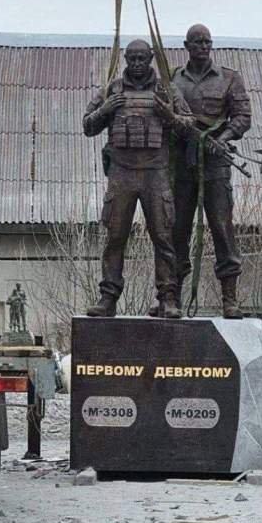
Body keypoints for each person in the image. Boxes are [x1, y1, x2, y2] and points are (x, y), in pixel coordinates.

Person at [83, 39, 193, 318]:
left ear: (151, 58)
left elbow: (189, 126)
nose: (136, 64)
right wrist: (106, 108)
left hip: (155, 173)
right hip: (121, 173)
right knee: (115, 237)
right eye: (131, 59)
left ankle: (168, 298)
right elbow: (87, 126)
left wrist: (168, 114)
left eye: (142, 58)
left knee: (163, 236)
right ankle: (108, 298)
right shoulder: (112, 89)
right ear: (125, 59)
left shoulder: (167, 91)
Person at [170, 24, 251, 318]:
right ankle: (171, 297)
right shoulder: (173, 79)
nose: (204, 46)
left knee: (222, 228)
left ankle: (229, 298)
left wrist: (222, 139)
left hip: (216, 166)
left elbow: (243, 117)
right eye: (197, 42)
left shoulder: (229, 78)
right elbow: (166, 117)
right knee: (177, 230)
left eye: (207, 42)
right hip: (181, 166)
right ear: (187, 45)